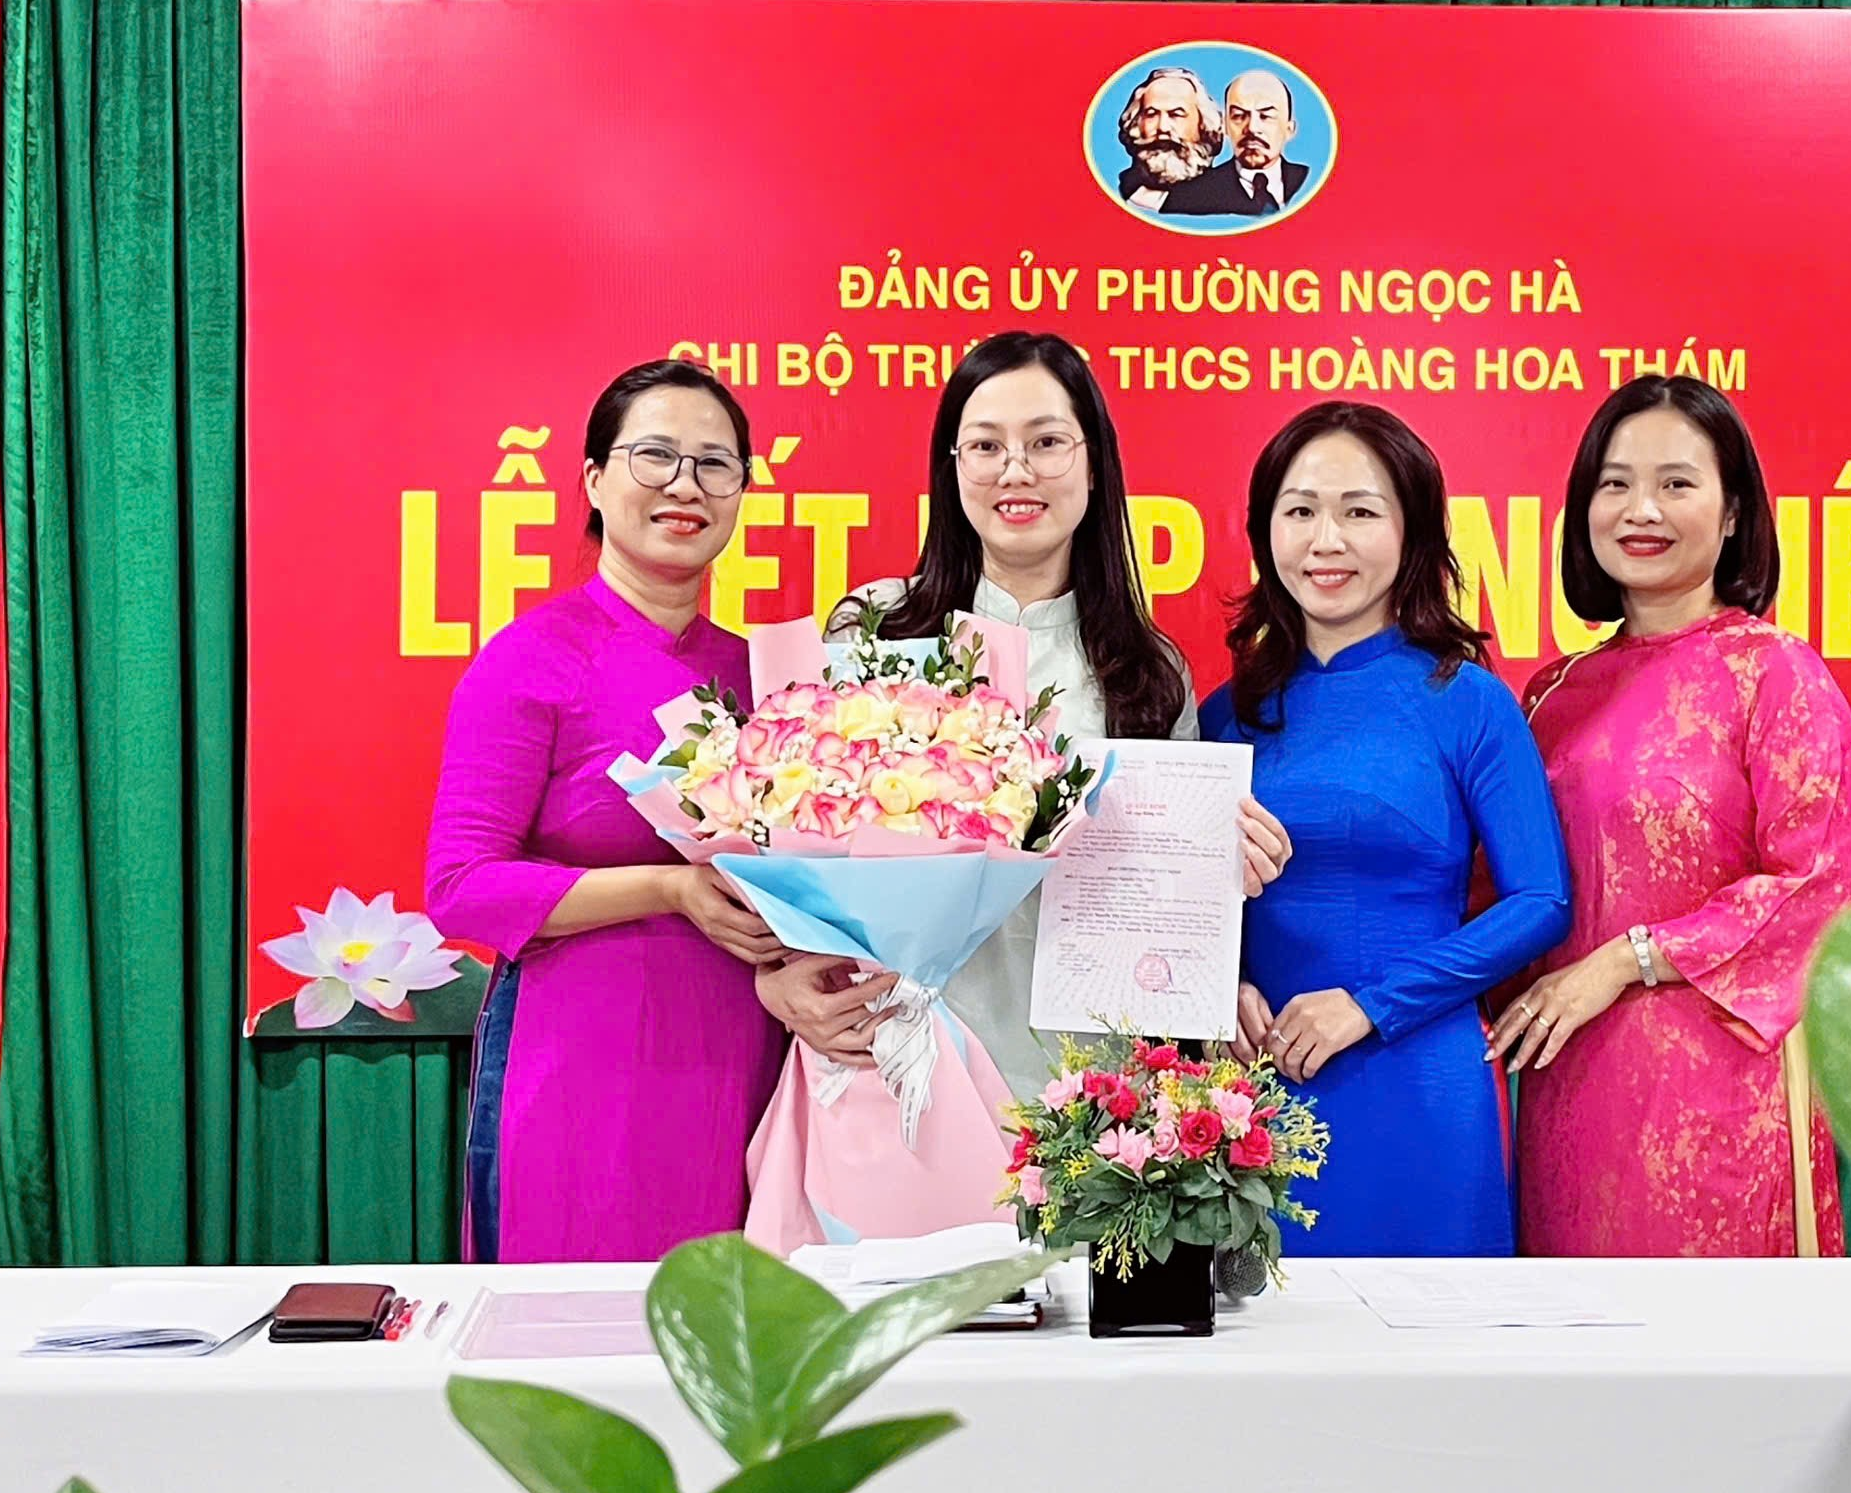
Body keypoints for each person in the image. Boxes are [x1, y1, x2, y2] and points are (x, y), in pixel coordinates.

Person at [758, 330, 1293, 1101]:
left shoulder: (1147, 672)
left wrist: (1218, 869)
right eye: (985, 446)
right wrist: (778, 977)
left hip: (1079, 1085)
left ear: (1093, 462)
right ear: (952, 466)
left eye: (1046, 442)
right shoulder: (876, 631)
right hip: (886, 1051)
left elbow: (1164, 898)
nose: (1017, 471)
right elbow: (800, 854)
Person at [1491, 375, 1851, 1258]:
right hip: (1568, 1087)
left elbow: (1817, 887)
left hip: (1720, 1097)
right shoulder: (1550, 693)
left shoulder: (1776, 675)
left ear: (1734, 512)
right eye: (1614, 483)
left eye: (1676, 483)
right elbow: (1495, 889)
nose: (1640, 509)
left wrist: (1626, 961)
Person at [427, 359, 787, 1261]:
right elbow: (462, 887)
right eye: (655, 456)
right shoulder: (531, 659)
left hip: (749, 1054)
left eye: (716, 464)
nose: (685, 486)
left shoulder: (766, 676)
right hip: (586, 1058)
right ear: (595, 478)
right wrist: (668, 891)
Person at [1205, 402, 1569, 1257]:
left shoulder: (1467, 698)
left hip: (1420, 1081)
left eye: (1359, 511)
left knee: (1439, 1369)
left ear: (1411, 533)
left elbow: (1542, 901)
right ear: (1266, 533)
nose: (1325, 540)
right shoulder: (1226, 715)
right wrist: (1222, 990)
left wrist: (1369, 1007)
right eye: (1299, 511)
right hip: (1255, 1092)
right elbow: (1190, 903)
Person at [1163, 70, 1311, 217]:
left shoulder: (1309, 183)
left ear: (1289, 129)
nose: (1252, 128)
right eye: (1239, 116)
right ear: (1225, 126)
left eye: (1266, 116)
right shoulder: (1190, 196)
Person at [1113, 65, 1223, 211]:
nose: (1163, 127)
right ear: (1136, 123)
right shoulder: (1120, 189)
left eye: (1176, 114)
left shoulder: (1222, 196)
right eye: (1151, 114)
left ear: (1203, 125)